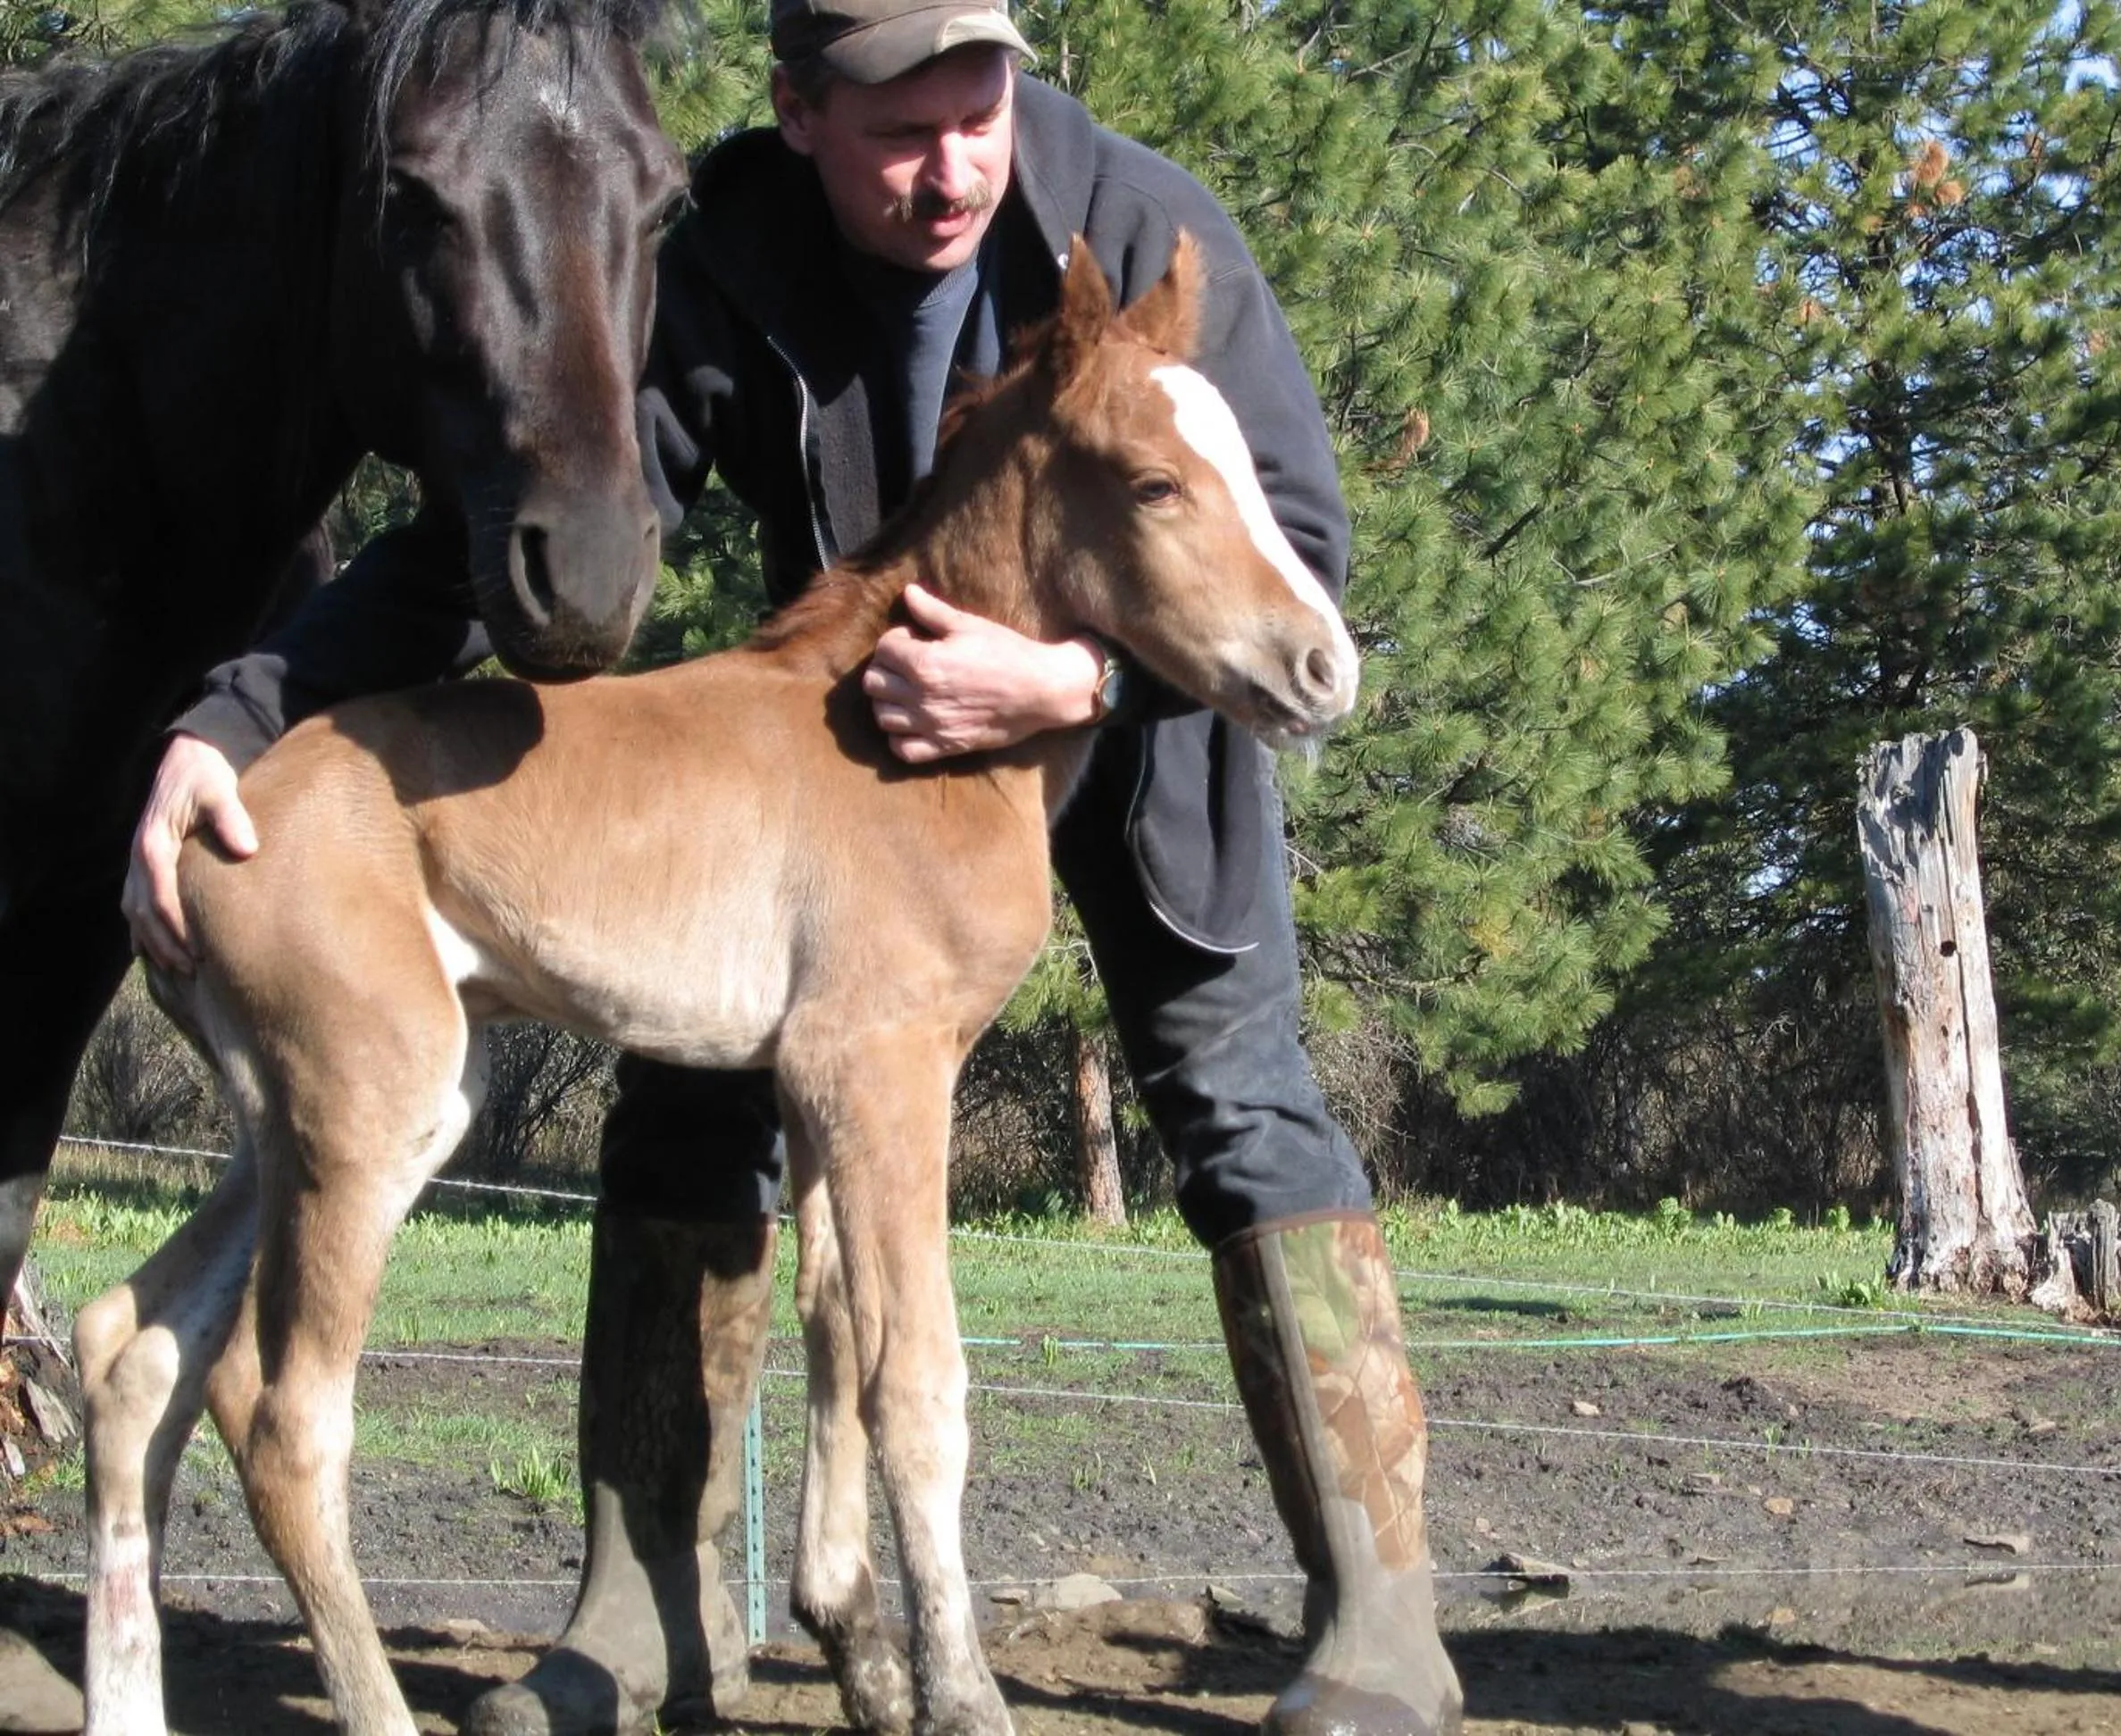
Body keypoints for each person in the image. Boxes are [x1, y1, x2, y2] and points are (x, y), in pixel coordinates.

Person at [123, 5, 1464, 1732]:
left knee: (1239, 1089)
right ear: (799, 114)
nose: (951, 165)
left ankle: (1382, 1620)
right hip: (864, 763)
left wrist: (1075, 683)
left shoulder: (1128, 228)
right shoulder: (729, 250)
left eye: (979, 109)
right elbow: (510, 527)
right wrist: (234, 717)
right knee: (688, 1096)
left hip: (1151, 723)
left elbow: (1296, 553)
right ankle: (649, 1603)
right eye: (898, 129)